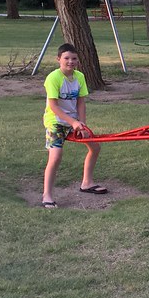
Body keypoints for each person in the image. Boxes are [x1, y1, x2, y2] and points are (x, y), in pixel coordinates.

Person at [41, 43, 104, 208]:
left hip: (74, 122)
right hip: (56, 122)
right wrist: (73, 122)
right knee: (55, 157)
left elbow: (81, 102)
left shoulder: (79, 77)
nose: (70, 61)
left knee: (95, 147)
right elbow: (53, 106)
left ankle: (87, 183)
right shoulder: (53, 78)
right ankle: (47, 195)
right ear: (58, 59)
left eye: (74, 58)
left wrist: (82, 123)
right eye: (66, 58)